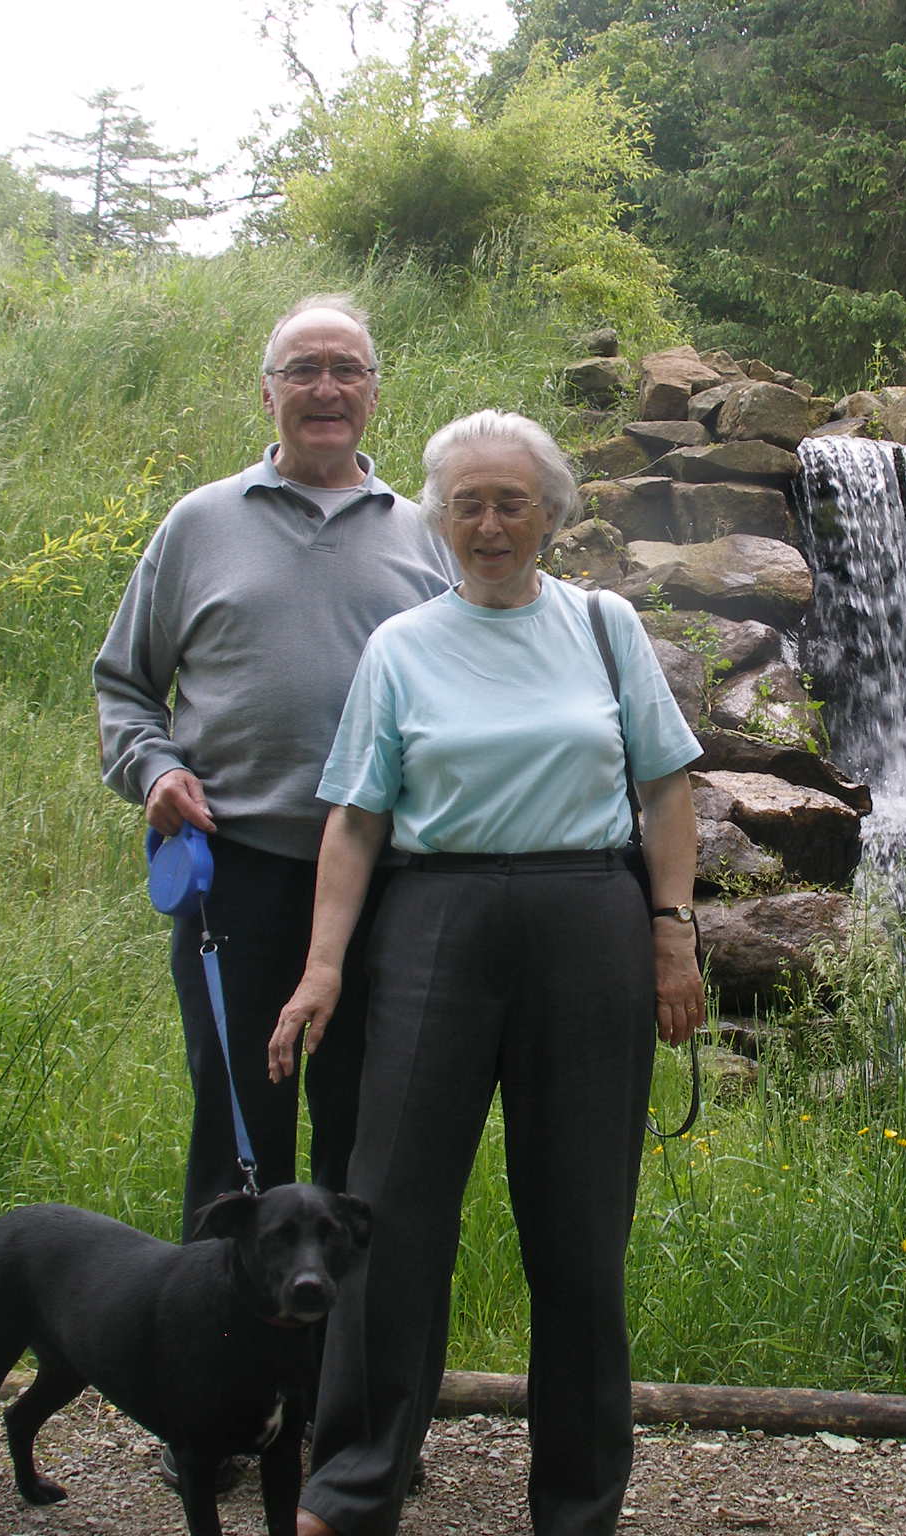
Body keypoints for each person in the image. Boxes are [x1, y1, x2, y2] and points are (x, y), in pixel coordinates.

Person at [267, 409, 703, 1536]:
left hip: (587, 922)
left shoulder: (607, 630)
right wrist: (322, 972)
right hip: (433, 926)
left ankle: (576, 1503)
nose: (491, 523)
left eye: (513, 502)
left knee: (578, 1228)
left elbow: (665, 792)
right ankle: (354, 1482)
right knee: (391, 1211)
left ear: (552, 515)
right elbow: (356, 823)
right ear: (439, 517)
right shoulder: (401, 648)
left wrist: (671, 933)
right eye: (468, 502)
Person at [94, 294, 455, 1242]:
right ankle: (215, 1365)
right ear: (267, 393)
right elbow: (125, 684)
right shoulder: (197, 526)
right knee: (235, 1134)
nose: (326, 388)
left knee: (363, 1135)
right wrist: (152, 770)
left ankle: (336, 1381)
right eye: (304, 370)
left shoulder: (430, 538)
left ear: (376, 393)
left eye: (347, 369)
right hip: (235, 875)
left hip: (390, 885)